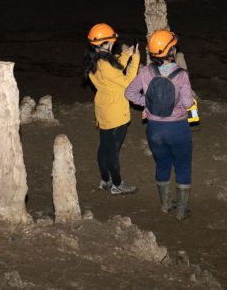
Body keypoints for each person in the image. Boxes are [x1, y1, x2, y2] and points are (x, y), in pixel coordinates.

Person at [125, 29, 194, 220]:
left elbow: (130, 93)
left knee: (162, 163)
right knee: (182, 165)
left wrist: (147, 104)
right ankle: (181, 210)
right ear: (171, 50)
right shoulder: (181, 74)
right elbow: (188, 103)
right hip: (178, 128)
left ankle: (165, 204)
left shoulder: (145, 71)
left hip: (154, 129)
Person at [83, 22, 140, 195]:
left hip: (103, 107)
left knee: (104, 146)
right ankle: (117, 184)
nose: (113, 43)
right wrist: (136, 59)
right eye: (111, 41)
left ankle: (105, 179)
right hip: (115, 110)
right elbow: (127, 82)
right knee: (112, 150)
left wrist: (126, 55)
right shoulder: (106, 65)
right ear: (105, 43)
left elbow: (114, 68)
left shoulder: (95, 60)